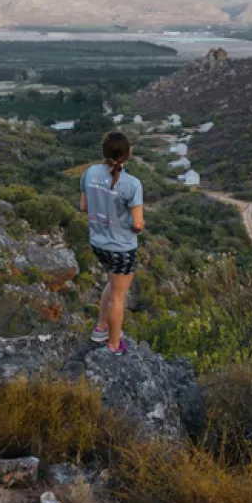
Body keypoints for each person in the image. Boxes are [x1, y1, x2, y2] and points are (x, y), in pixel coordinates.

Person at [80, 130, 144, 355]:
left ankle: (101, 327)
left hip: (98, 244)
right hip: (122, 248)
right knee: (119, 295)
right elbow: (137, 224)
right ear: (128, 154)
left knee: (113, 283)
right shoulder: (132, 184)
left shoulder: (89, 174)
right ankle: (114, 345)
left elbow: (84, 207)